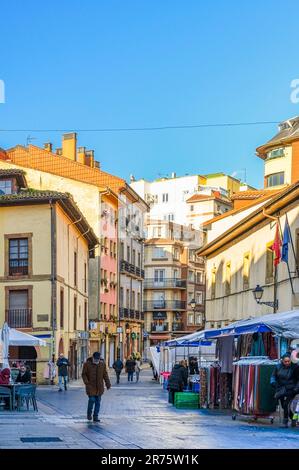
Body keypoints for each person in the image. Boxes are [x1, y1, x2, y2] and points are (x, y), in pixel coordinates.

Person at [271, 353, 299, 427]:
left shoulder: (295, 367)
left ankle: (285, 421)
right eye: (285, 361)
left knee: (286, 404)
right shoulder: (278, 367)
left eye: (288, 361)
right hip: (281, 388)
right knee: (284, 405)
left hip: (291, 388)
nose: (287, 363)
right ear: (282, 361)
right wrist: (273, 382)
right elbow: (273, 376)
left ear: (291, 361)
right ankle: (293, 418)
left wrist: (296, 388)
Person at [82, 352, 111, 422]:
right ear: (93, 358)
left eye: (98, 359)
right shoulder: (87, 364)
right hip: (90, 386)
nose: (97, 361)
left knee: (98, 402)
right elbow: (84, 374)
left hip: (99, 387)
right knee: (92, 400)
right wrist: (86, 382)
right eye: (95, 359)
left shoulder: (102, 364)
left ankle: (95, 416)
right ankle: (89, 414)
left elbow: (105, 375)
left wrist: (108, 384)